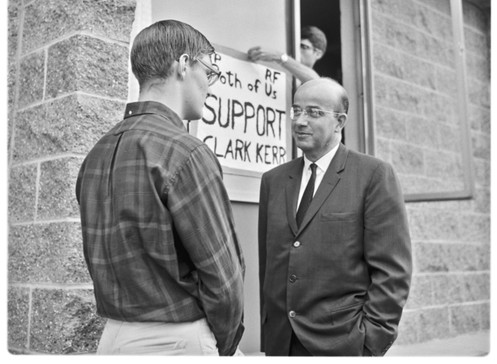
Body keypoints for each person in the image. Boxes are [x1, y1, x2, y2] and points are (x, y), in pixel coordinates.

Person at [76, 19, 245, 356]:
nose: (210, 85)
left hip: (112, 341)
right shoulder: (185, 151)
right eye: (209, 71)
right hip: (178, 342)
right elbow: (224, 280)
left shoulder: (96, 154)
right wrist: (221, 346)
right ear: (183, 64)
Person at [258, 78, 412, 356]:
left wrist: (371, 341)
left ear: (340, 122)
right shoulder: (273, 180)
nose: (300, 121)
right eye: (296, 111)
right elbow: (268, 266)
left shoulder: (373, 175)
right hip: (282, 343)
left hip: (343, 341)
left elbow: (392, 270)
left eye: (314, 113)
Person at [247, 25, 327, 83]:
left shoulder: (282, 61)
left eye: (303, 47)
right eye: (296, 46)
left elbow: (316, 82)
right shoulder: (281, 72)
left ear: (318, 54)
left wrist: (280, 57)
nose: (298, 50)